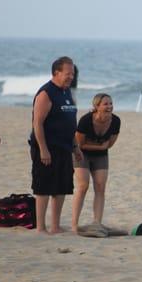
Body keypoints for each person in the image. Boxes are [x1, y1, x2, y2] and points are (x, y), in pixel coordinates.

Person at [30, 56, 81, 234]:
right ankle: (41, 227)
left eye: (72, 73)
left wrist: (76, 147)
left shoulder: (66, 92)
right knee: (43, 187)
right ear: (56, 73)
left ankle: (55, 226)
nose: (71, 77)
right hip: (47, 148)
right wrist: (43, 149)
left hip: (65, 147)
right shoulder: (46, 93)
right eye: (68, 73)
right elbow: (37, 123)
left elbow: (70, 123)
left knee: (61, 187)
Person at [71, 93, 121, 232]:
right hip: (81, 154)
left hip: (101, 155)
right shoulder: (86, 120)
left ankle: (97, 222)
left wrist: (102, 148)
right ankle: (74, 224)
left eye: (111, 103)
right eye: (105, 104)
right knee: (83, 186)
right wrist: (100, 146)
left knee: (100, 187)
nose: (109, 106)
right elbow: (80, 144)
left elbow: (109, 144)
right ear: (96, 106)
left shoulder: (116, 121)